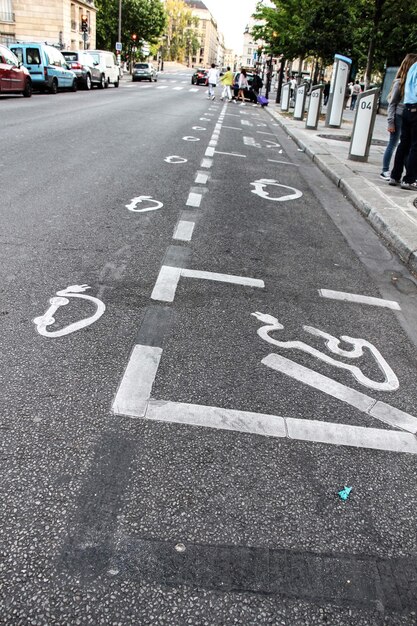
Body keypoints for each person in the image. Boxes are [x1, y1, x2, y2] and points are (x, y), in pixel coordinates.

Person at [380, 56, 417, 179]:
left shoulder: (408, 82)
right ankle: (385, 170)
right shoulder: (400, 82)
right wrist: (390, 122)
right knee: (394, 143)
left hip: (405, 115)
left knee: (405, 145)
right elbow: (392, 103)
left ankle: (402, 173)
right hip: (399, 116)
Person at [389, 53, 417, 190]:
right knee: (415, 146)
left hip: (407, 108)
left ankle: (395, 175)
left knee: (403, 144)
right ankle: (409, 179)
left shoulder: (412, 68)